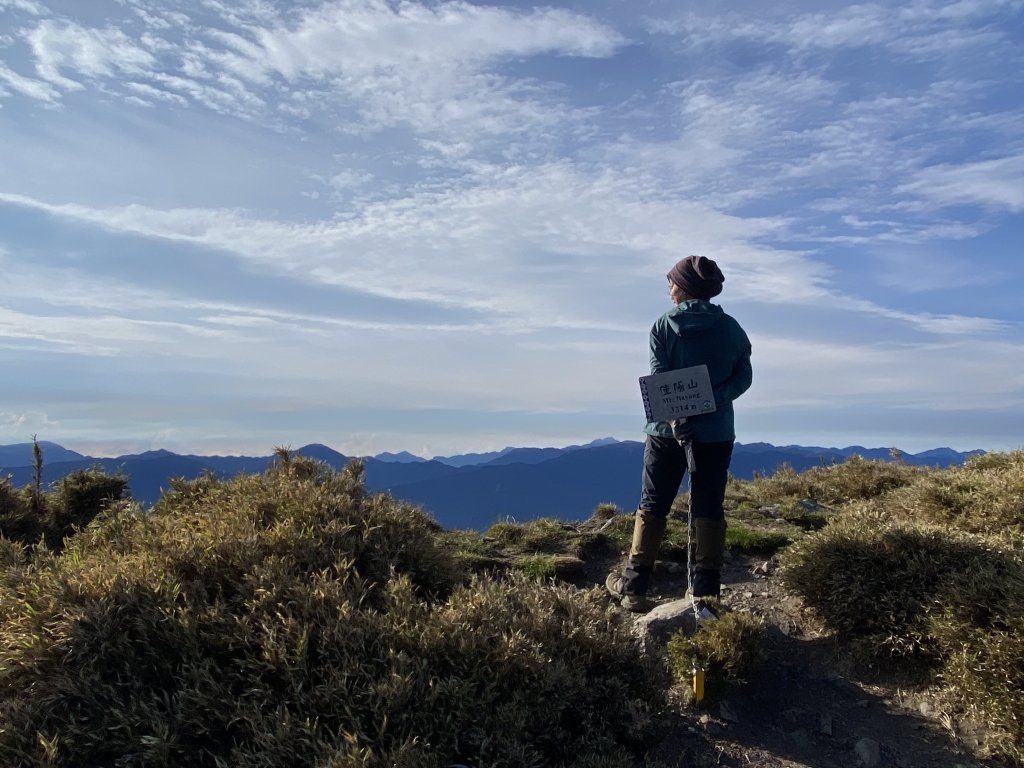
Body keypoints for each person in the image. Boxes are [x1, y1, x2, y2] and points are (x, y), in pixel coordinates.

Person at [607, 255, 752, 613]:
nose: (668, 287)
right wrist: (711, 399)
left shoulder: (662, 327)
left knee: (653, 503)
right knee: (708, 505)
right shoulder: (732, 328)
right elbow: (743, 377)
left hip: (665, 433)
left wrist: (677, 415)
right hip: (716, 432)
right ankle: (705, 591)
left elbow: (659, 379)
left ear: (684, 286)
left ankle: (635, 587)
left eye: (671, 282)